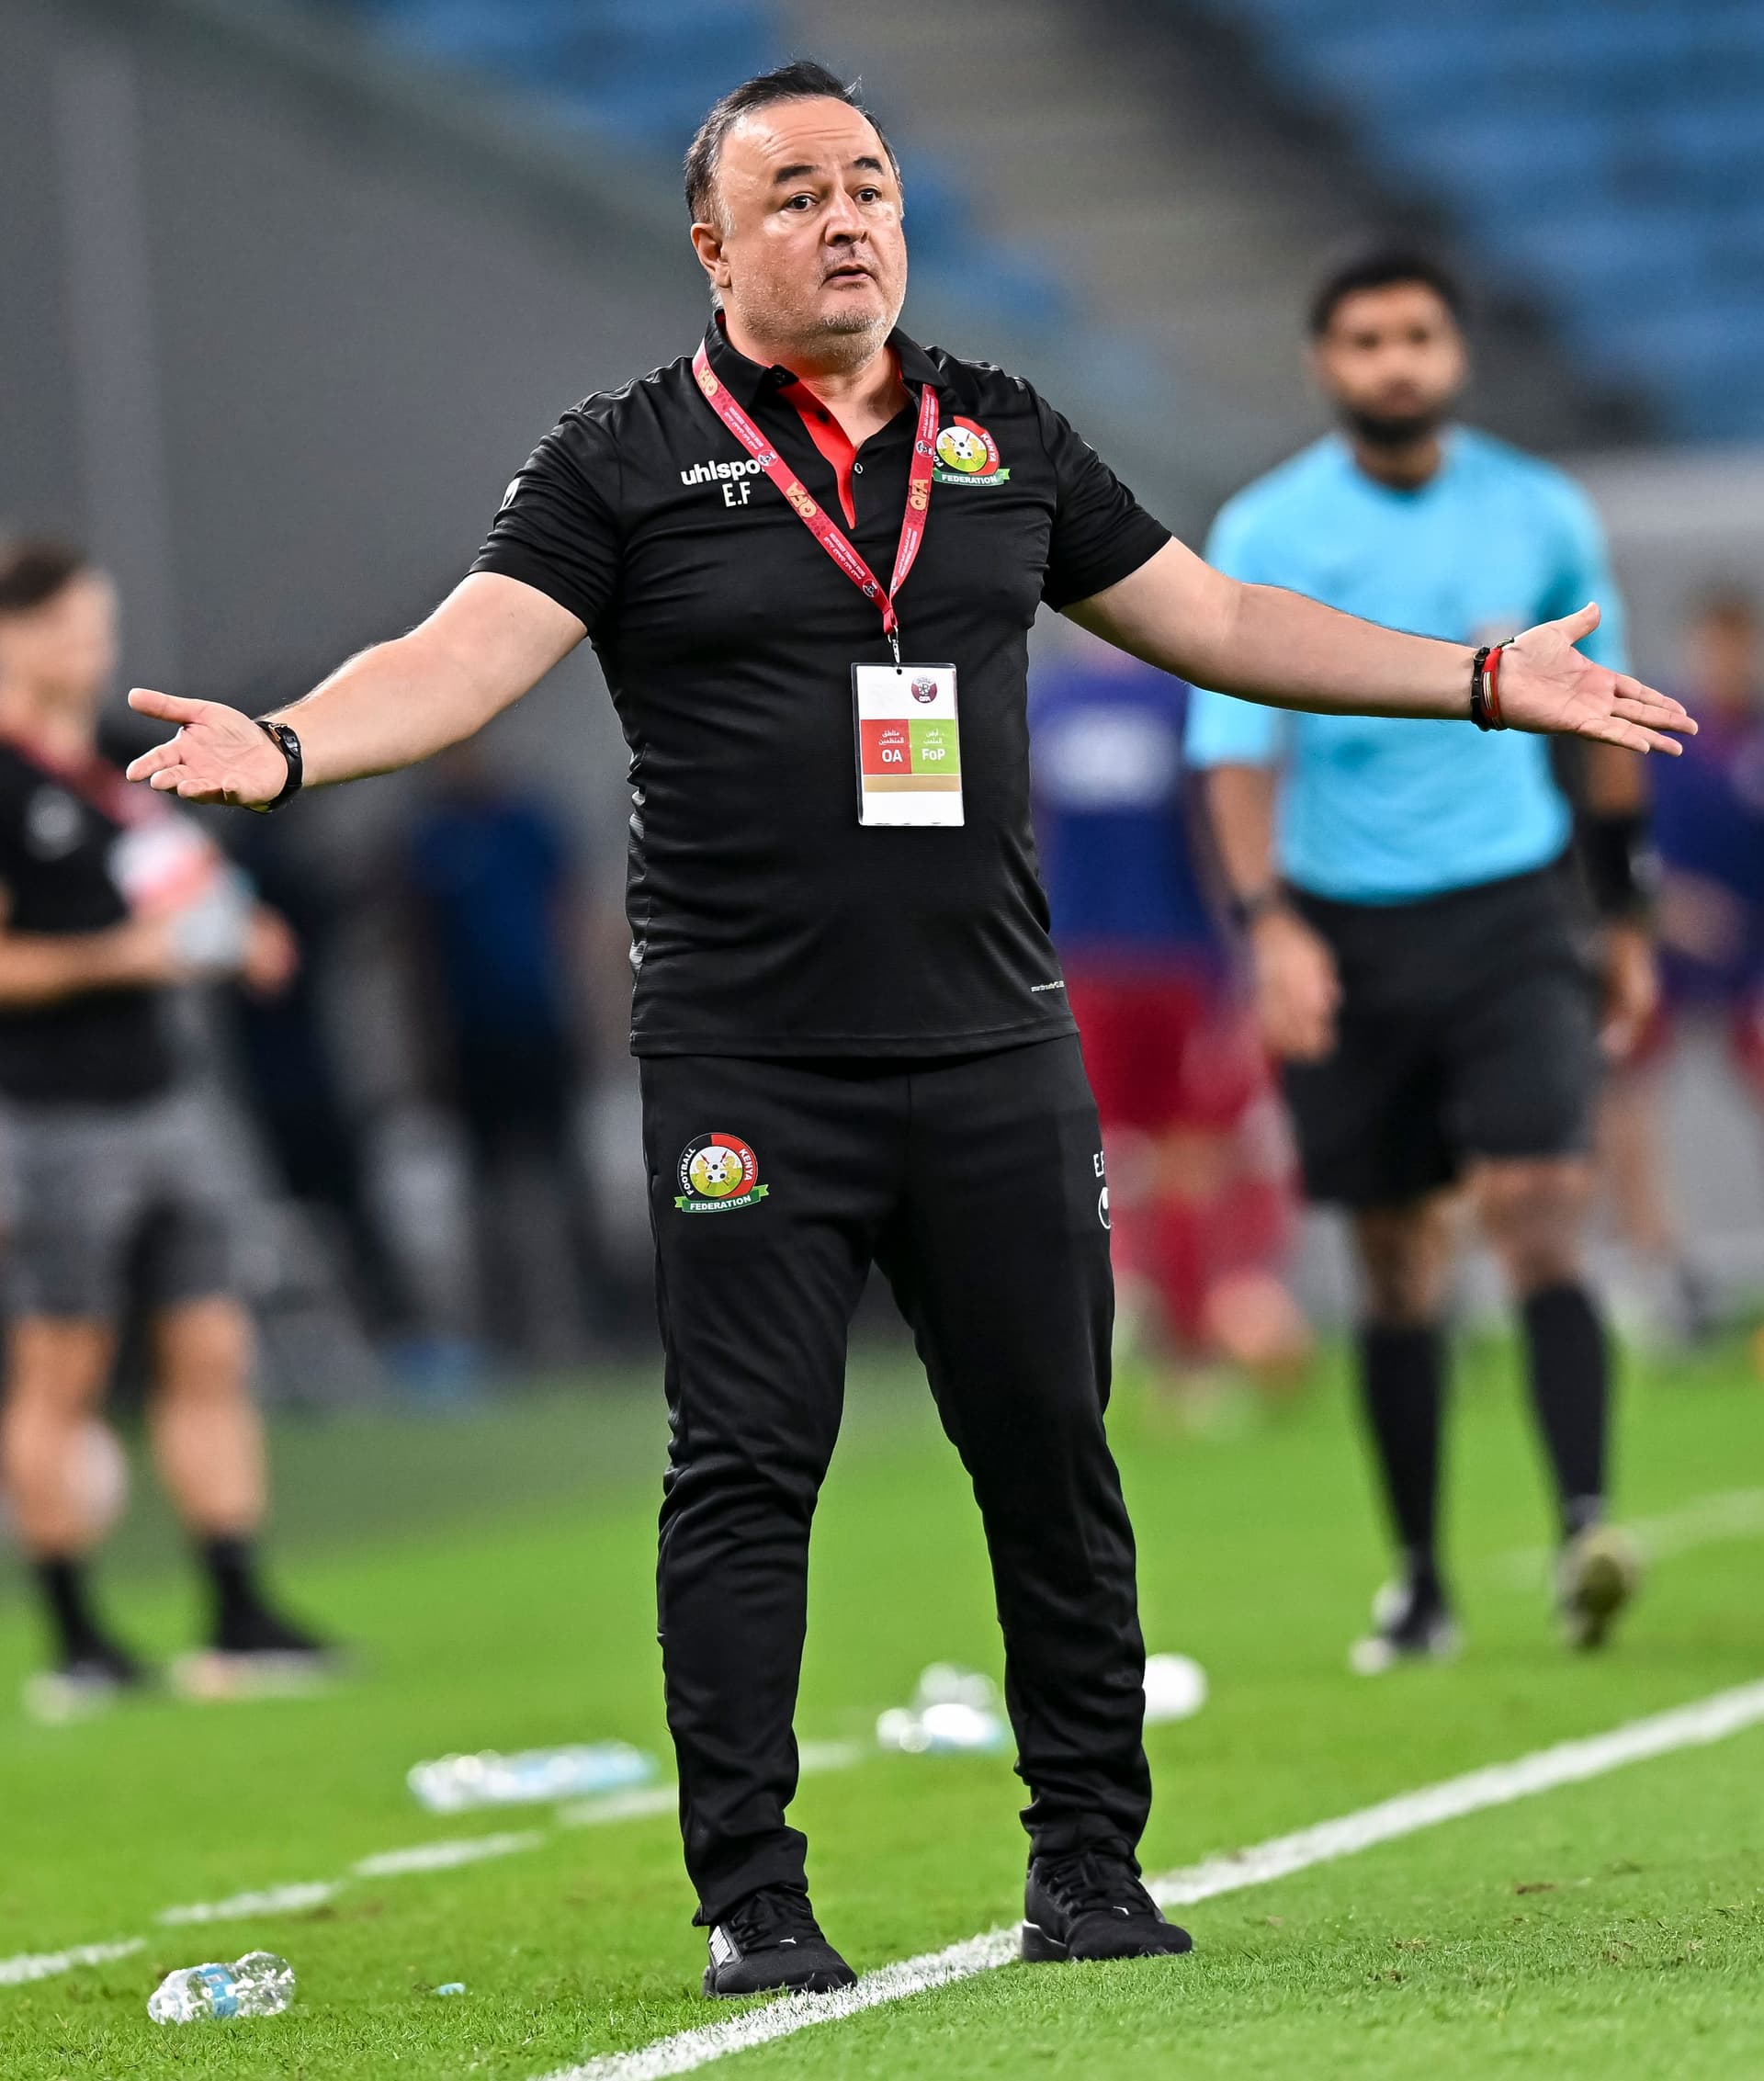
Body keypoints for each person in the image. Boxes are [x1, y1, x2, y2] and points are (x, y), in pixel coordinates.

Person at [122, 73, 1690, 1995]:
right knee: (745, 1468)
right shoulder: (615, 460)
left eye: (870, 184)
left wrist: (1471, 678)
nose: (846, 217)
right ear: (713, 244)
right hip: (745, 1063)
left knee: (1051, 1453)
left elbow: (1214, 617)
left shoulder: (1001, 434)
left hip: (991, 1048)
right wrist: (290, 744)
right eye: (796, 195)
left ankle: (1091, 1863)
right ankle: (752, 1895)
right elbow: (461, 655)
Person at [1185, 249, 1659, 1676]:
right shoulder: (1268, 526)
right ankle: (1421, 1578)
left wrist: (1622, 915)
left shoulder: (1539, 510)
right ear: (1327, 362)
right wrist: (1270, 926)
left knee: (1535, 1199)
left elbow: (1607, 717)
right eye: (1365, 339)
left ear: (1453, 352)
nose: (1395, 360)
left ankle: (1585, 1524)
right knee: (1396, 1258)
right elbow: (1234, 749)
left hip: (1513, 911)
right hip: (1346, 926)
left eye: (1417, 335)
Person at [0, 538, 332, 1717]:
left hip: (173, 1101)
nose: (95, 647)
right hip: (52, 1118)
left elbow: (181, 882)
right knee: (64, 1371)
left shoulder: (103, 758)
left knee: (211, 1352)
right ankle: (79, 1633)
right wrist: (115, 957)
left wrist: (238, 931)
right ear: (16, 633)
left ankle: (240, 1609)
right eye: (76, 628)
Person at [1029, 626, 1308, 1385]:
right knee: (1145, 1152)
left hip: (1147, 956)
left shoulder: (1082, 701)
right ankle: (1169, 1325)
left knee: (1156, 1150)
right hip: (1122, 956)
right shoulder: (1057, 700)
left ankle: (1179, 1323)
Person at [401, 745, 614, 1362]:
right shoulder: (430, 840)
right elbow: (421, 956)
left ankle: (592, 1320)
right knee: (488, 1191)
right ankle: (505, 1330)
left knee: (566, 1178)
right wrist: (428, 1044)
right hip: (473, 1039)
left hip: (540, 1025)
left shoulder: (529, 824)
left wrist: (591, 1012)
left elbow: (571, 921)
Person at [1598, 587, 1764, 1329]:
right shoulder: (1662, 737)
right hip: (1664, 954)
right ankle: (1660, 1275)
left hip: (1750, 956)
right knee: (1626, 1107)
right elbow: (1614, 840)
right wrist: (1666, 908)